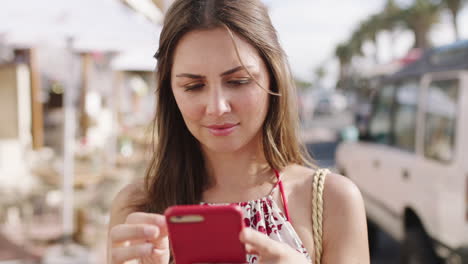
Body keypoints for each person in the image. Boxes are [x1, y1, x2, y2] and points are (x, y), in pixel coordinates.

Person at [107, 0, 370, 263]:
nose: (217, 107)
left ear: (273, 76)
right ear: (170, 92)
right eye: (193, 86)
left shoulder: (331, 201)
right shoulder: (138, 207)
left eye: (238, 81)